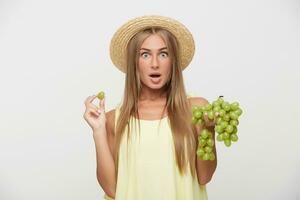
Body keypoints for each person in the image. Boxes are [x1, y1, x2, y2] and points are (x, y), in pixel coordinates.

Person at [83, 15, 218, 200]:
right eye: (145, 54)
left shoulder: (197, 109)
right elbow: (112, 190)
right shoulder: (113, 119)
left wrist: (209, 130)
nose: (155, 63)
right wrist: (98, 131)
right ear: (134, 63)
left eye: (163, 54)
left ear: (173, 62)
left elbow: (205, 176)